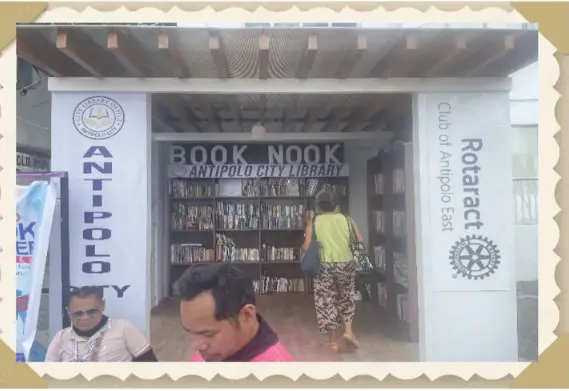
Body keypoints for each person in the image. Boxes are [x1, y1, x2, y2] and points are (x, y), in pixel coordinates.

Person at [174, 262, 293, 362]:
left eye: (208, 334)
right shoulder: (217, 353)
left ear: (247, 316)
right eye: (190, 333)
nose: (197, 346)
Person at [302, 190, 362, 353]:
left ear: (318, 206)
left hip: (324, 266)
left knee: (326, 301)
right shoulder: (348, 220)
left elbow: (307, 247)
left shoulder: (314, 222)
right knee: (346, 297)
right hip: (346, 263)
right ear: (336, 204)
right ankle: (348, 332)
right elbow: (359, 241)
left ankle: (332, 342)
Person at [45, 285, 158, 362]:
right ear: (68, 311)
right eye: (77, 313)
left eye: (91, 311)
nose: (85, 318)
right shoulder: (61, 337)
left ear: (102, 306)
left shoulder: (123, 328)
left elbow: (150, 367)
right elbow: (47, 374)